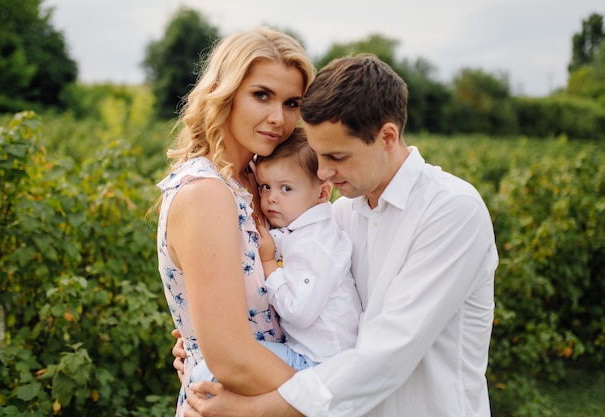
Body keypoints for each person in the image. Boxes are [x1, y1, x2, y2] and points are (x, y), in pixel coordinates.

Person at [181, 53, 499, 417]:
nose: (325, 174)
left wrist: (253, 409)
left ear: (387, 137)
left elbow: (389, 353)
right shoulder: (340, 213)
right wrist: (211, 348)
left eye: (337, 156)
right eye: (317, 156)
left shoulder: (451, 211)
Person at [155, 26, 315, 417]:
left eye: (292, 103)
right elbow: (229, 357)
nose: (278, 118)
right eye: (261, 95)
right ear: (224, 93)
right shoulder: (206, 193)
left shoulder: (265, 183)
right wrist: (330, 403)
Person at [191, 129, 362, 383]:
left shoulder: (314, 243)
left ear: (323, 193)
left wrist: (270, 262)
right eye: (266, 186)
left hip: (320, 363)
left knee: (208, 373)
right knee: (213, 366)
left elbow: (298, 311)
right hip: (314, 357)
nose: (271, 198)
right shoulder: (300, 230)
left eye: (286, 188)